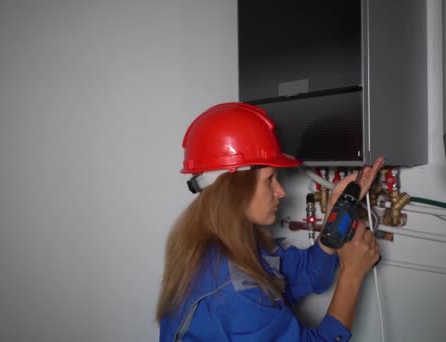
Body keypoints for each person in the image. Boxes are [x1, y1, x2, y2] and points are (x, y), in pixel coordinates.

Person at [156, 102, 384, 341]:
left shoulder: (232, 247)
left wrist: (336, 213)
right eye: (270, 179)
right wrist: (352, 274)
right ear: (235, 189)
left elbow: (307, 274)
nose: (281, 191)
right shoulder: (234, 291)